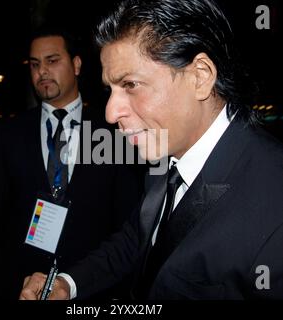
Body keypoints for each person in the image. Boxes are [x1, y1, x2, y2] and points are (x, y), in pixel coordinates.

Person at [20, 0, 283, 300]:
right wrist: (68, 284)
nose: (110, 113)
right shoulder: (164, 159)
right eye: (111, 90)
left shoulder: (274, 202)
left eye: (130, 84)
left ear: (200, 76)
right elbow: (138, 239)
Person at [0, 24, 143, 299]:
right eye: (35, 64)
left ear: (77, 64)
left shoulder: (112, 131)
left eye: (52, 61)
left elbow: (128, 218)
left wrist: (127, 290)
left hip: (90, 287)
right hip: (21, 286)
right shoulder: (10, 134)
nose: (42, 72)